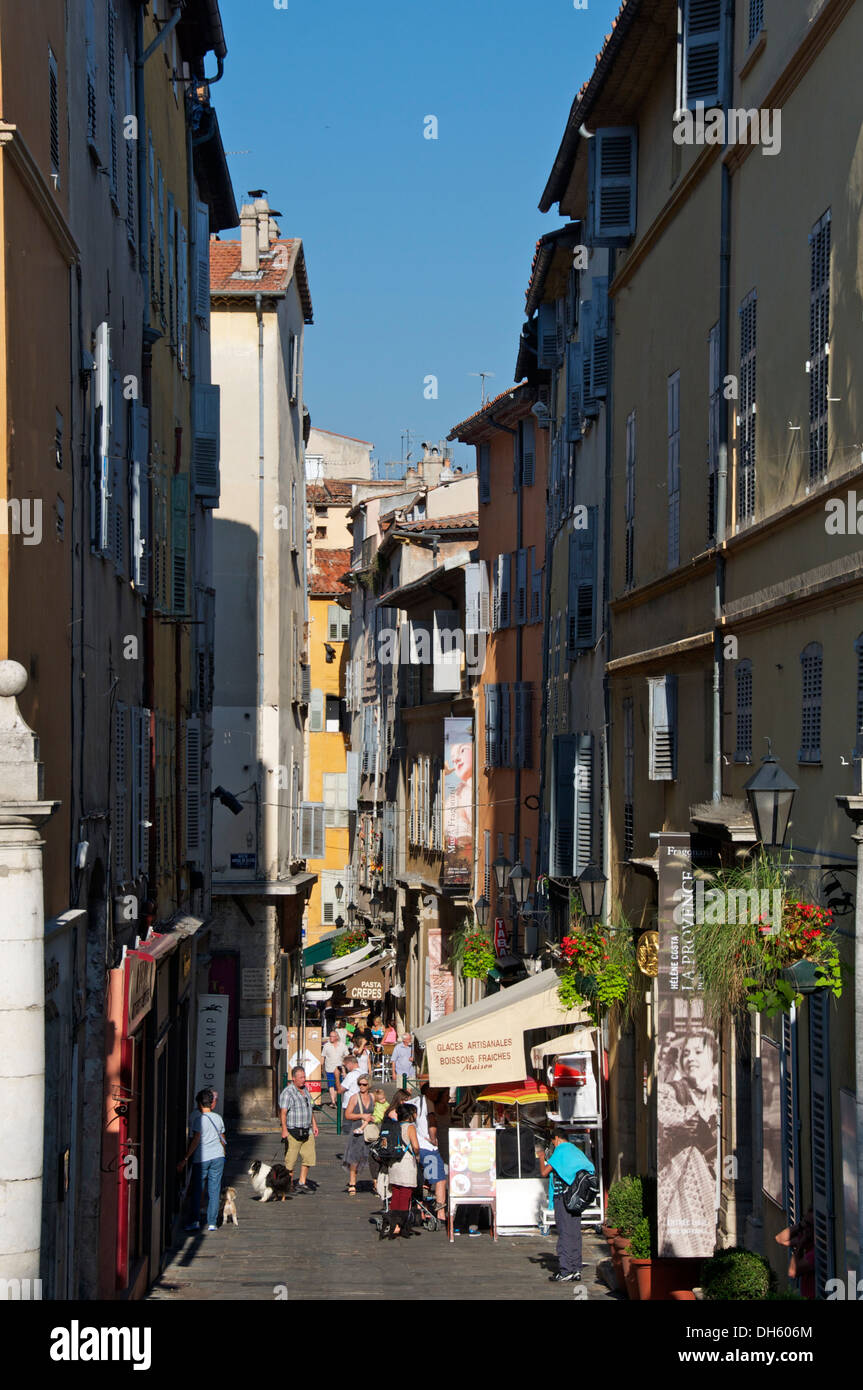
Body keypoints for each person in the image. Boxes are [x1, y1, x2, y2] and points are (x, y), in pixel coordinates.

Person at [537, 1132, 594, 1282]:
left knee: (564, 1233)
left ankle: (565, 1270)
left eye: (553, 1142)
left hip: (563, 1198)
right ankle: (576, 1268)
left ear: (557, 1138)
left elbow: (544, 1172)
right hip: (576, 1199)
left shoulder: (560, 1151)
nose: (553, 1145)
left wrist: (541, 1157)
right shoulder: (576, 1151)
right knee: (575, 1232)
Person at [178, 1088, 226, 1232]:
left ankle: (195, 1221)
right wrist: (224, 1153)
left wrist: (185, 1158)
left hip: (202, 1158)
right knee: (214, 1189)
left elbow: (195, 1141)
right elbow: (223, 1138)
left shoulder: (199, 1120)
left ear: (199, 1103)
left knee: (198, 1190)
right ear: (211, 1103)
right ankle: (212, 1223)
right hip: (218, 1156)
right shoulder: (218, 1118)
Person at [380, 1102, 421, 1240]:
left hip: (394, 1163)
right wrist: (418, 1155)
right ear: (410, 1114)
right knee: (405, 1194)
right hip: (406, 1164)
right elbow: (415, 1146)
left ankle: (391, 1223)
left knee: (396, 1194)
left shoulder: (394, 1126)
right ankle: (399, 1225)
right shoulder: (410, 1127)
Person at [409, 1084, 447, 1223]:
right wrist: (433, 1139)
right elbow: (431, 1121)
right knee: (440, 1180)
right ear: (429, 1091)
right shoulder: (428, 1102)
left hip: (416, 1147)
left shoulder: (413, 1101)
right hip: (429, 1148)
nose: (437, 1093)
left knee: (425, 1180)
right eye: (435, 1090)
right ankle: (441, 1213)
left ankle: (422, 1210)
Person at [279, 1066, 319, 1193]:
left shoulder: (305, 1090)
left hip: (307, 1129)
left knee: (308, 1157)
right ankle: (289, 1185)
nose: (304, 1080)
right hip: (293, 1130)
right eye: (301, 1077)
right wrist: (284, 1129)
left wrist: (314, 1125)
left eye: (304, 1077)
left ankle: (302, 1182)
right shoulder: (288, 1092)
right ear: (294, 1078)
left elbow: (310, 1108)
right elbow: (283, 1113)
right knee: (290, 1160)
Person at [342, 1074, 375, 1194]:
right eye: (359, 1084)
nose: (361, 1086)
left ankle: (376, 1183)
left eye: (364, 1084)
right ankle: (352, 1182)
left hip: (370, 1130)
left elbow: (379, 1110)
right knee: (354, 1157)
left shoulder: (372, 1097)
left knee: (373, 1157)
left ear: (369, 1085)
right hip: (357, 1130)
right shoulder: (354, 1098)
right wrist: (362, 1115)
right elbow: (347, 1115)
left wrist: (374, 1117)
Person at [322, 1029, 348, 1107]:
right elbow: (322, 1056)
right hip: (329, 1068)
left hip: (339, 1068)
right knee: (331, 1085)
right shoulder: (326, 1046)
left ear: (337, 1037)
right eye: (330, 1036)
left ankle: (334, 1099)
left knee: (337, 1085)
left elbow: (346, 1055)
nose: (331, 1038)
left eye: (332, 1036)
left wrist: (344, 1067)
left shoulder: (342, 1045)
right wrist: (321, 1066)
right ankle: (333, 1101)